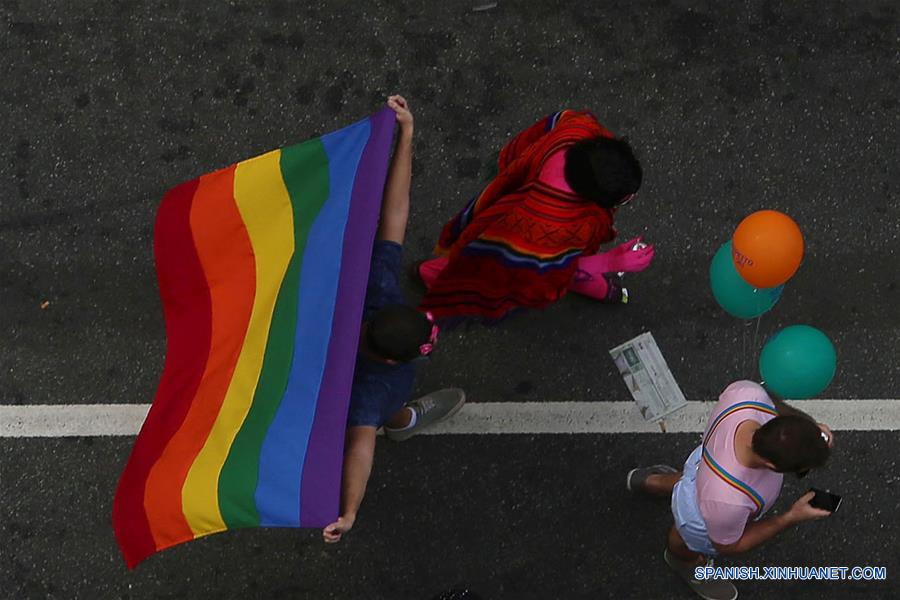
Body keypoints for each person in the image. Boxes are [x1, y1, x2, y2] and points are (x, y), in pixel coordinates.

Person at [322, 96, 466, 543]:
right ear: (393, 362)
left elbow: (394, 214)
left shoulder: (369, 292)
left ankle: (402, 420)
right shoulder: (370, 392)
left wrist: (404, 136)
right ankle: (403, 421)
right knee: (382, 417)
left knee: (373, 417)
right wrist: (348, 511)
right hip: (371, 399)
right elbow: (360, 451)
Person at [416, 110, 654, 322]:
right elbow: (548, 275)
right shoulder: (555, 227)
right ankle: (431, 275)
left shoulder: (580, 129)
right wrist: (610, 262)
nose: (629, 200)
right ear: (592, 198)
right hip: (518, 238)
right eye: (624, 199)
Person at [627, 380, 836, 600]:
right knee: (685, 537)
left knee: (695, 481)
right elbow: (730, 544)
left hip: (704, 468)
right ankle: (684, 562)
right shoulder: (728, 503)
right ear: (771, 466)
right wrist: (790, 517)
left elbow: (771, 402)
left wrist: (810, 429)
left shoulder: (747, 393)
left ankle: (651, 481)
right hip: (705, 512)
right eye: (802, 470)